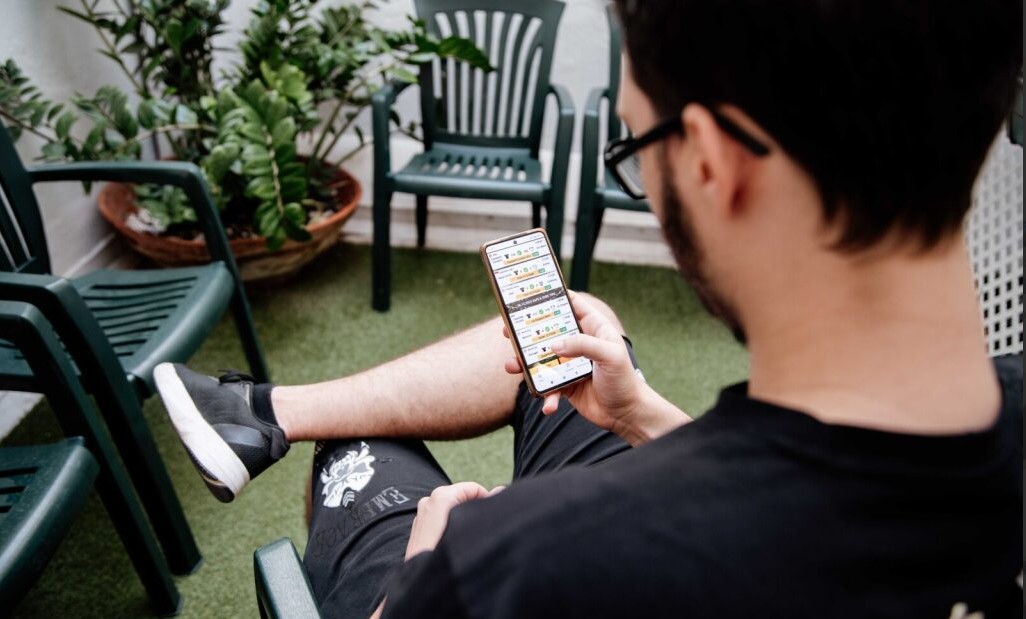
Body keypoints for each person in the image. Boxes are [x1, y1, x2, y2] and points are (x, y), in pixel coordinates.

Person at [153, 0, 1024, 617]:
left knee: (361, 441)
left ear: (713, 162)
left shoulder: (513, 567)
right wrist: (640, 413)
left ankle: (272, 421)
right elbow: (827, 514)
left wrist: (425, 568)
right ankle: (259, 416)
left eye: (635, 141)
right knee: (577, 326)